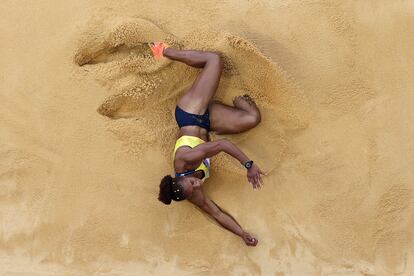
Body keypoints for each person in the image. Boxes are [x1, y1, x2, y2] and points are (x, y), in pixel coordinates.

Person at [151, 43, 266, 246]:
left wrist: (249, 165)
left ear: (182, 178)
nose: (198, 184)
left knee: (214, 59)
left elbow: (222, 145)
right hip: (208, 122)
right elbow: (216, 214)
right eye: (195, 187)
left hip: (190, 113)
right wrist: (241, 233)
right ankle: (229, 100)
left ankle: (164, 51)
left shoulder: (186, 161)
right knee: (252, 118)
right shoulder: (192, 194)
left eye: (192, 183)